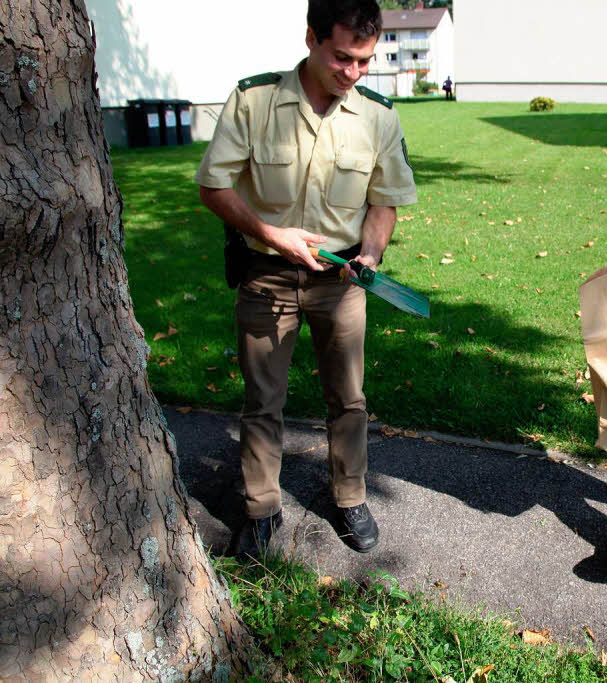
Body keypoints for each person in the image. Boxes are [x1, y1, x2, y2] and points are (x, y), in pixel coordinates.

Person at [194, 0, 417, 558]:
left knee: (348, 397)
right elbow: (213, 187)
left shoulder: (378, 117)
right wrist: (274, 235)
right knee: (262, 399)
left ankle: (349, 496)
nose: (353, 73)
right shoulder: (254, 102)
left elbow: (386, 201)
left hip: (342, 281)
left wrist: (371, 251)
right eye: (342, 57)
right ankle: (261, 508)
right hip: (266, 276)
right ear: (311, 38)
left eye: (365, 61)